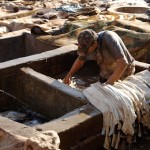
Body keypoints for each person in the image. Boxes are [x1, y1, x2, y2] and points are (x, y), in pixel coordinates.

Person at [63, 29, 135, 85]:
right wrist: (68, 76)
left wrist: (108, 85)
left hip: (124, 71)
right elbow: (80, 60)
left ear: (94, 43)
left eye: (86, 50)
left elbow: (123, 63)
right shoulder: (89, 44)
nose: (86, 52)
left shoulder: (109, 38)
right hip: (106, 71)